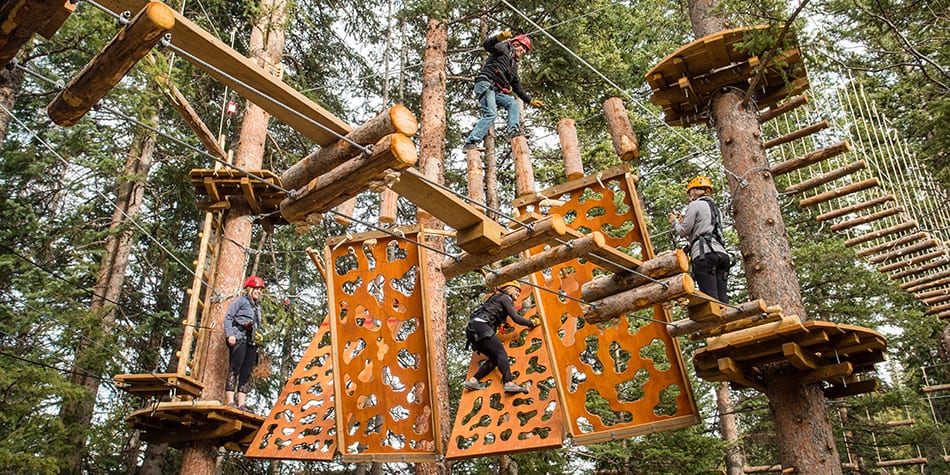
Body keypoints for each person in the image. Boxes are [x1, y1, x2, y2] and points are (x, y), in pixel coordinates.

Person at [462, 31, 544, 152]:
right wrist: (498, 38)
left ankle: (513, 132)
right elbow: (487, 45)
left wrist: (529, 100)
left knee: (512, 103)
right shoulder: (503, 48)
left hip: (495, 90)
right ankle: (471, 142)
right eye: (523, 48)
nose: (524, 52)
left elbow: (517, 88)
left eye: (526, 50)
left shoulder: (513, 66)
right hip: (486, 84)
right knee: (491, 113)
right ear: (515, 44)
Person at [463, 281, 540, 393]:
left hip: (474, 329)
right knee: (501, 353)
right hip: (481, 326)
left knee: (496, 358)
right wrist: (531, 323)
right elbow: (516, 318)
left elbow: (493, 313)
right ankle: (508, 382)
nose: (518, 294)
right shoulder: (505, 298)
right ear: (510, 288)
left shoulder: (496, 298)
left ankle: (473, 380)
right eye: (517, 291)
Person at [669, 176, 731, 303]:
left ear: (693, 192)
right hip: (722, 254)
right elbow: (704, 229)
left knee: (711, 301)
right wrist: (683, 221)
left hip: (704, 255)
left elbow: (683, 231)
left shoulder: (695, 205)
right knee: (723, 301)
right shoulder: (716, 209)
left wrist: (675, 222)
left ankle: (717, 322)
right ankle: (728, 319)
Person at [224, 275, 265, 410]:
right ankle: (230, 401)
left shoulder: (257, 308)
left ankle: (241, 403)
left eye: (260, 289)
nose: (259, 291)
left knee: (246, 372)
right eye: (257, 288)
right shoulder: (240, 301)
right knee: (235, 368)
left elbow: (257, 325)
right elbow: (228, 318)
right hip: (239, 337)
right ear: (250, 288)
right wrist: (230, 335)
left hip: (252, 341)